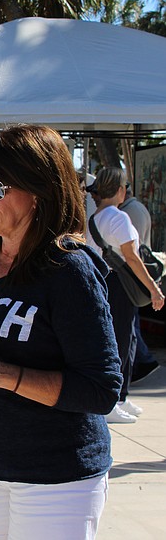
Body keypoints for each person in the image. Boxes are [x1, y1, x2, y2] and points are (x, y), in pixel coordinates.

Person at [0, 124, 122, 539]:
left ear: (37, 193)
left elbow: (101, 390)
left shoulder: (69, 269)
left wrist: (0, 374)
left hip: (56, 477)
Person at [85, 167, 164, 423]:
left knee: (122, 338)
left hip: (105, 282)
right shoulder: (118, 218)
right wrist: (153, 288)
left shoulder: (95, 217)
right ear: (120, 190)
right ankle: (113, 399)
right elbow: (132, 258)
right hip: (120, 284)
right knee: (121, 340)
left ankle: (120, 395)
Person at [119, 187, 161, 383]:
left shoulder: (127, 213)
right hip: (133, 274)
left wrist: (152, 288)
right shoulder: (135, 209)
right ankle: (143, 360)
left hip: (129, 275)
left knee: (128, 327)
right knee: (130, 325)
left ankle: (143, 361)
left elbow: (131, 254)